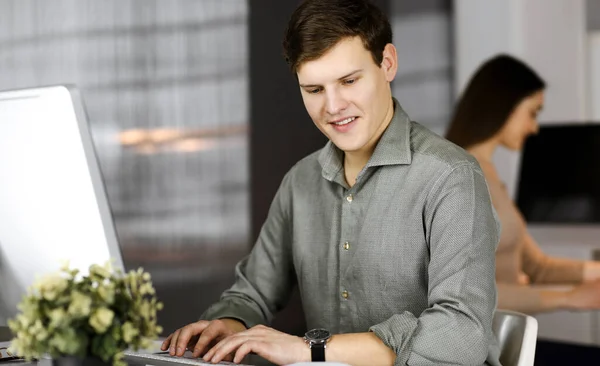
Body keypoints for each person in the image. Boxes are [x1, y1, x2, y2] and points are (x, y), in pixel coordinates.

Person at [161, 1, 502, 365]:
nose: (333, 106)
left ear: (387, 63)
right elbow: (253, 293)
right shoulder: (300, 182)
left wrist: (312, 350)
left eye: (349, 81)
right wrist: (228, 324)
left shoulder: (451, 177)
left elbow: (463, 333)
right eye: (314, 90)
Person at [446, 54, 600, 315]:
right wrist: (570, 298)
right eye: (532, 113)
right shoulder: (459, 177)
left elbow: (538, 267)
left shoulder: (489, 176)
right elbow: (465, 292)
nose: (534, 127)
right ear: (504, 105)